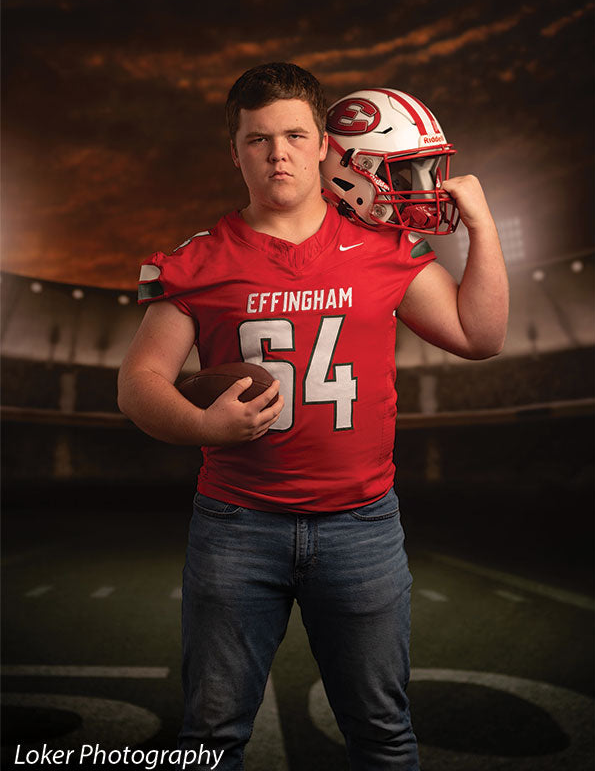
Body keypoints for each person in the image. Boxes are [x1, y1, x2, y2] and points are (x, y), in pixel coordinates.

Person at [118, 63, 509, 771]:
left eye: (295, 135)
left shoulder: (385, 250)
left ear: (325, 146)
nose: (279, 154)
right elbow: (140, 383)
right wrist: (204, 428)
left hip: (361, 525)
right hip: (236, 524)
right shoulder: (196, 262)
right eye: (258, 139)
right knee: (209, 740)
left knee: (384, 738)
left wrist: (481, 227)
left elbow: (479, 336)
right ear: (233, 150)